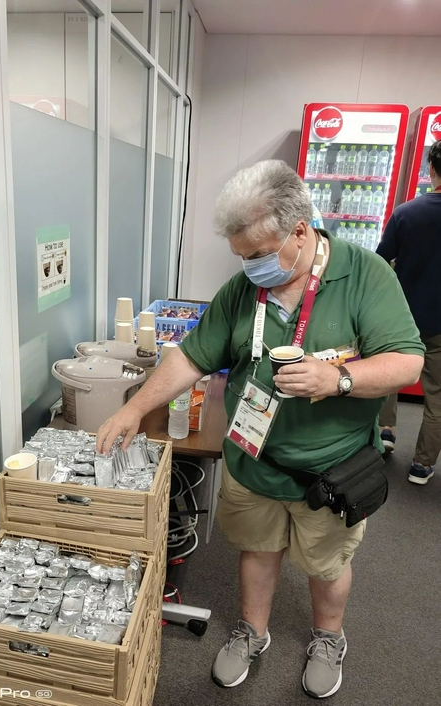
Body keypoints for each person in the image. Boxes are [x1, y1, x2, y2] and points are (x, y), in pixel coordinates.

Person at [97, 160, 423, 699]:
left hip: (332, 468)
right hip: (254, 459)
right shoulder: (243, 289)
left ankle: (328, 637)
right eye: (242, 256)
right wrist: (137, 408)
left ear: (301, 232)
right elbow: (192, 357)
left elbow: (407, 362)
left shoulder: (365, 275)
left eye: (259, 254)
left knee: (327, 563)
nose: (250, 267)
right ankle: (252, 631)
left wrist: (337, 378)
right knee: (256, 549)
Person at [376, 139, 441, 485]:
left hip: (402, 317)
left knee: (390, 372)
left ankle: (385, 430)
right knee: (437, 399)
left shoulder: (406, 212)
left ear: (431, 169)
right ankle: (421, 465)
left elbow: (379, 261)